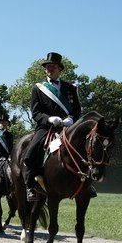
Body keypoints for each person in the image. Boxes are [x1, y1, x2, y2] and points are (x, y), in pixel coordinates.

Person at [22, 51, 82, 203]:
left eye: (53, 66)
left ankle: (86, 184)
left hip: (66, 127)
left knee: (84, 147)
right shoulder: (38, 88)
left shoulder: (71, 88)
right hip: (46, 127)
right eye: (47, 66)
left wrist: (71, 119)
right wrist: (49, 119)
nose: (49, 69)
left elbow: (77, 111)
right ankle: (30, 185)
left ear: (59, 69)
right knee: (30, 151)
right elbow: (35, 113)